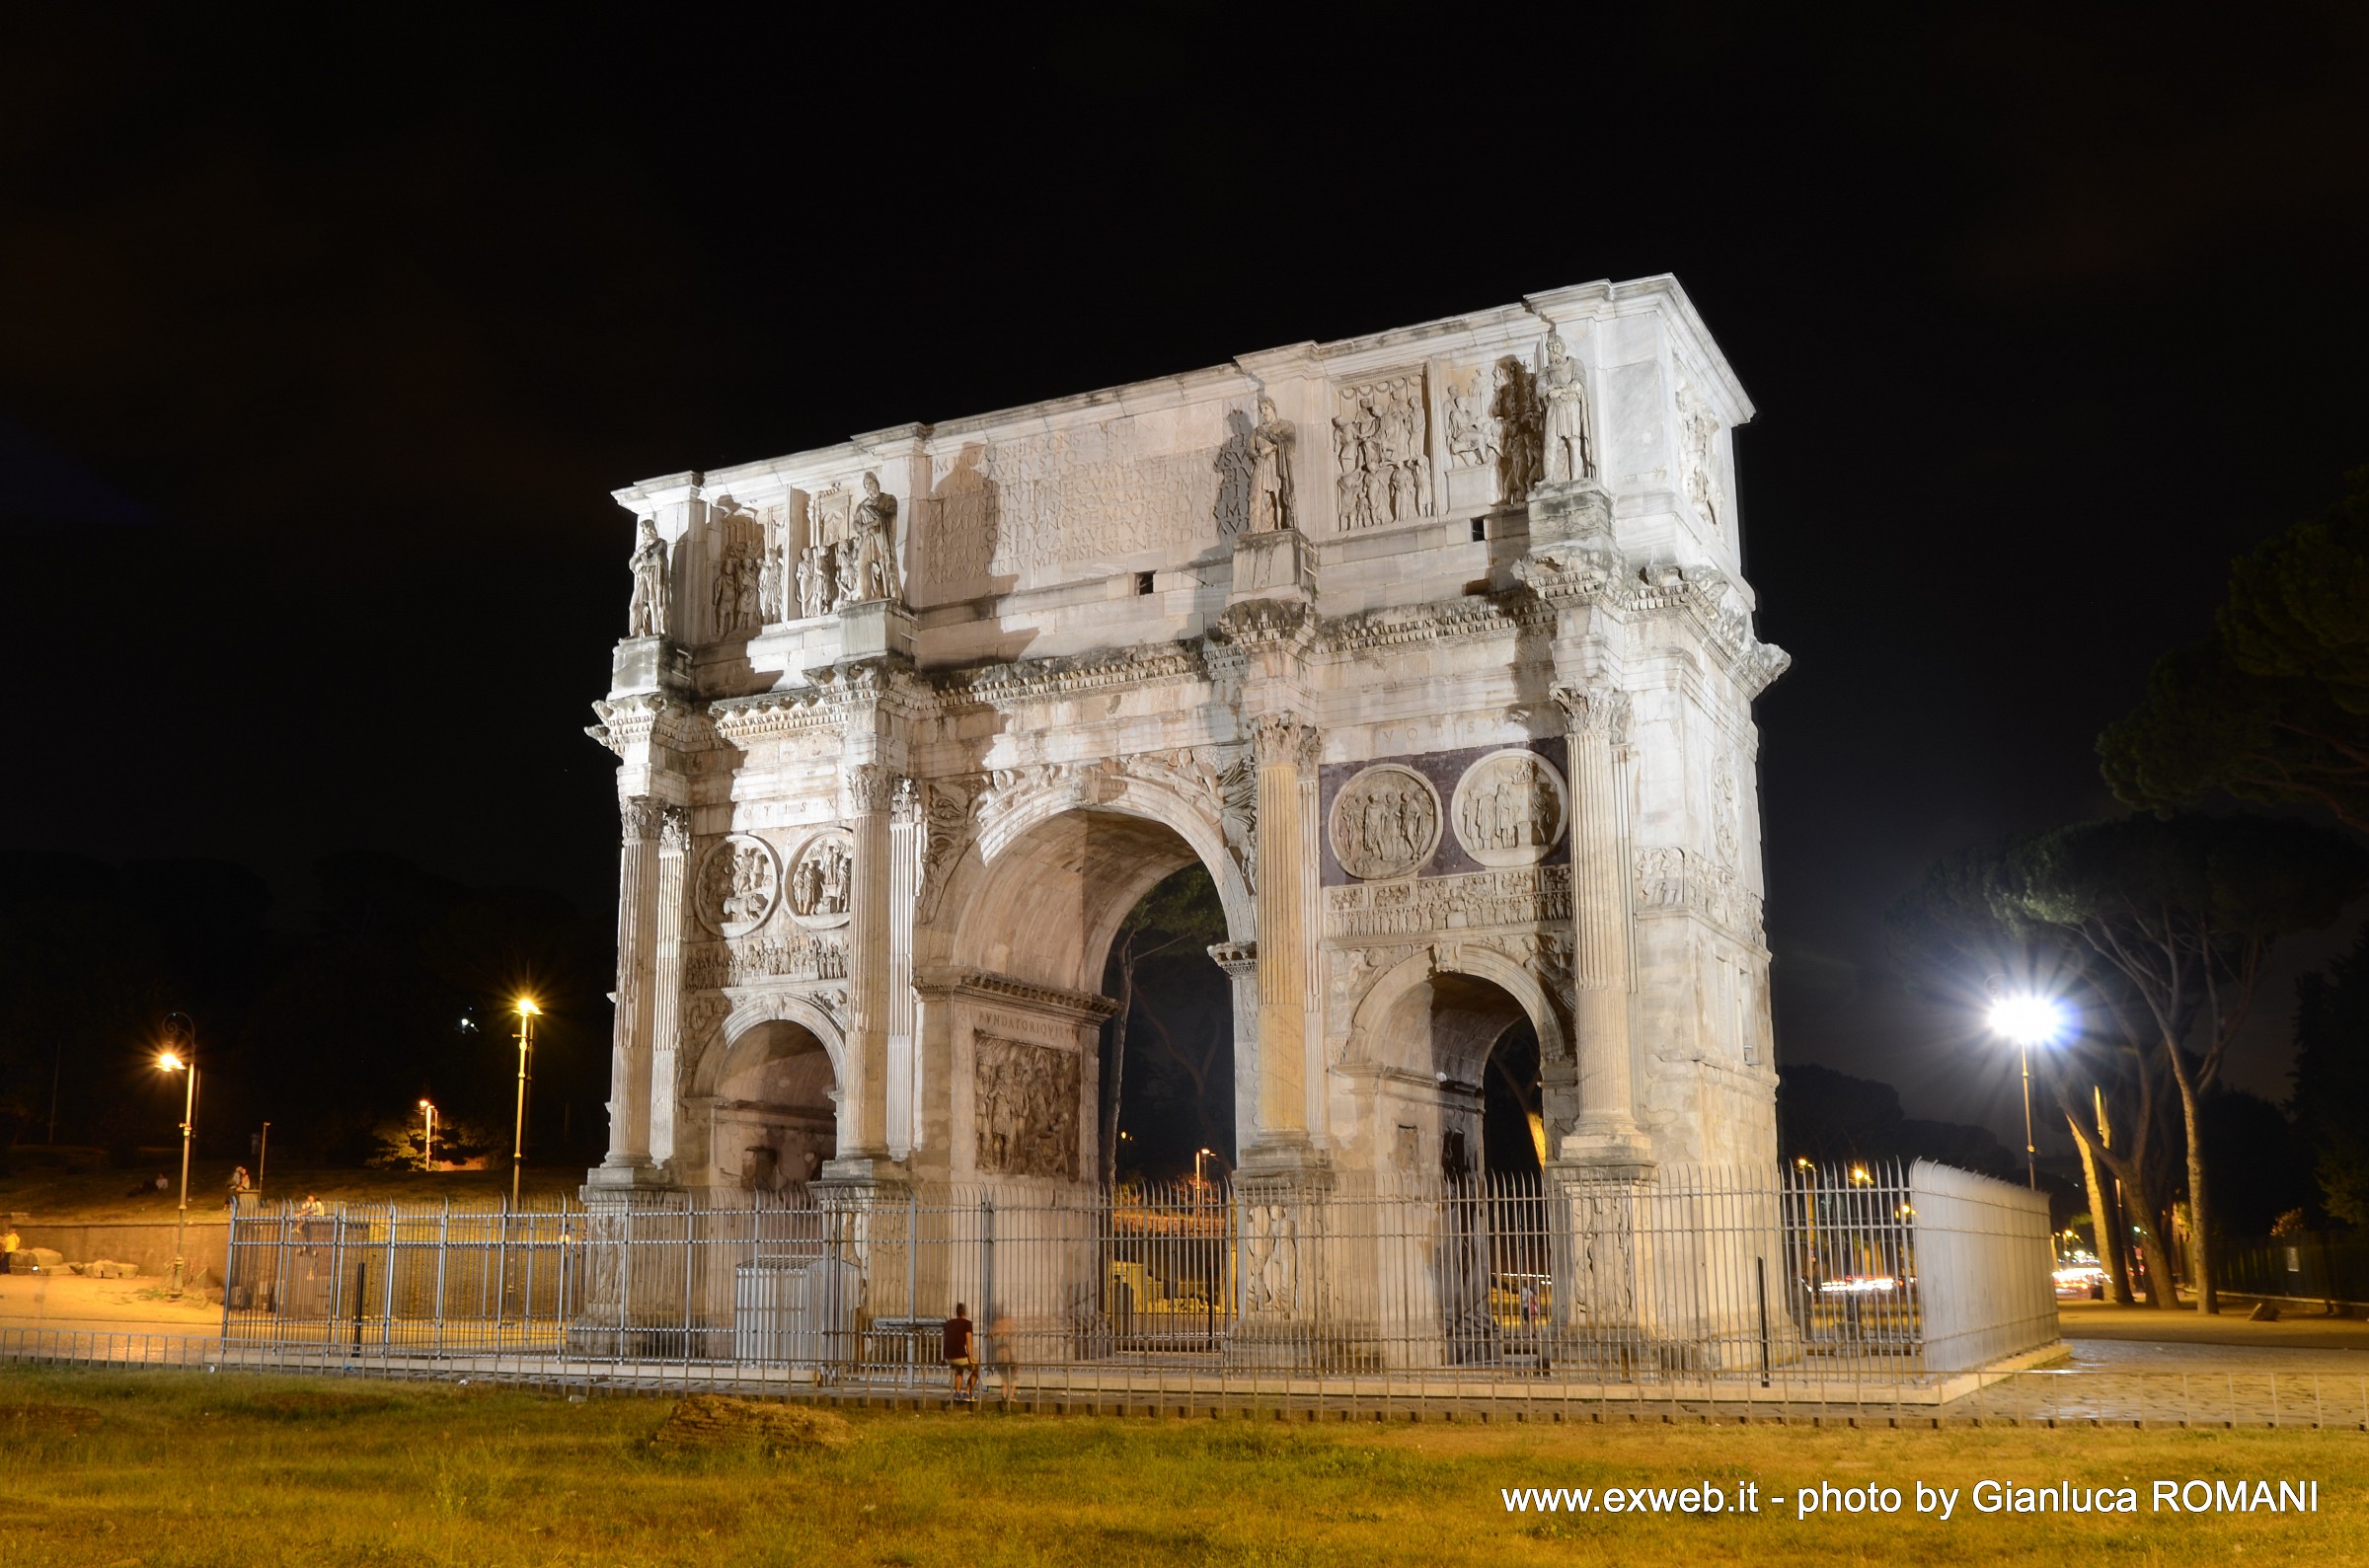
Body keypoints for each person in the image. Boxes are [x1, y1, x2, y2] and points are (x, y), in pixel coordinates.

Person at [943, 1301, 978, 1403]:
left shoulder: (948, 1324)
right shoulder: (967, 1324)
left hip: (948, 1357)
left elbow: (946, 1340)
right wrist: (971, 1358)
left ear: (956, 1312)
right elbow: (969, 1342)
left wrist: (943, 1358)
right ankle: (967, 1393)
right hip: (959, 1357)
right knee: (977, 1369)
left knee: (959, 1370)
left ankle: (957, 1393)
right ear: (965, 1312)